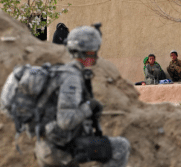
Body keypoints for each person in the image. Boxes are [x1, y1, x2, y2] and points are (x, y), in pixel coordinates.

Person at [8, 24, 130, 167]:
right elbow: (65, 121)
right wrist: (89, 107)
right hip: (60, 150)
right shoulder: (71, 78)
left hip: (49, 147)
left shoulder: (63, 71)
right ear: (90, 51)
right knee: (121, 146)